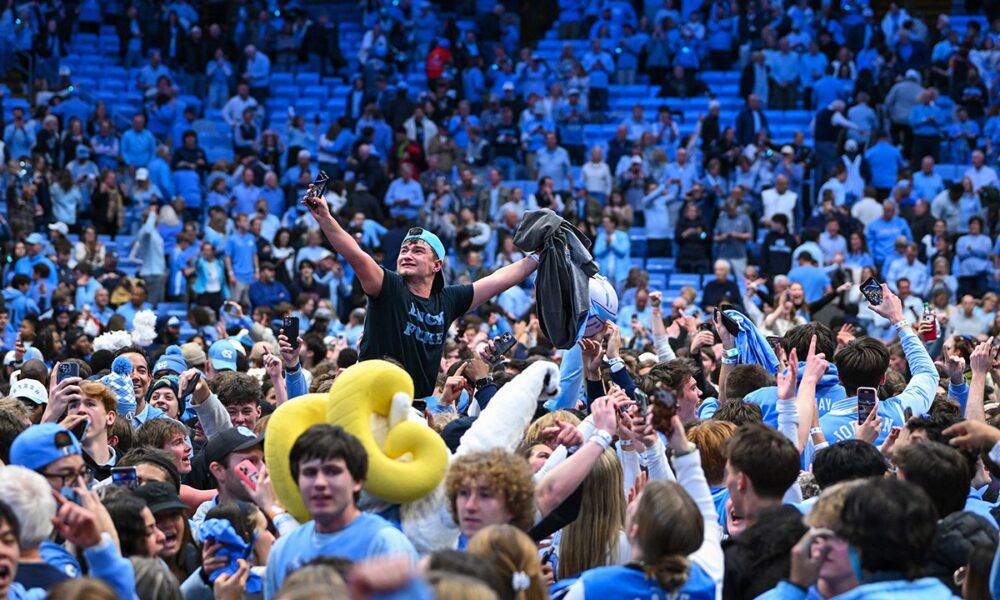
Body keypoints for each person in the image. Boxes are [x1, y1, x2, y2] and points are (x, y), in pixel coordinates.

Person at [299, 183, 537, 399]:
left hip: (420, 406)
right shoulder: (389, 286)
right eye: (404, 250)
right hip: (373, 398)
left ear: (437, 265)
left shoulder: (448, 299)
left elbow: (498, 280)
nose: (407, 255)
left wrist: (538, 256)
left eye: (417, 251)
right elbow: (355, 254)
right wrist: (325, 219)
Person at [263, 425, 417, 597]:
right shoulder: (283, 550)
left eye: (332, 471)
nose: (319, 483)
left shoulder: (385, 544)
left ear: (357, 480)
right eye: (309, 472)